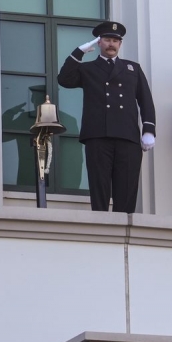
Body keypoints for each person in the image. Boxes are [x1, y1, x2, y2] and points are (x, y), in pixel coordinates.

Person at [57, 21, 156, 213]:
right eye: (107, 40)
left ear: (120, 44)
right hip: (98, 135)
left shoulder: (132, 68)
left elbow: (146, 100)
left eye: (115, 41)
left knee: (127, 187)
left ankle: (125, 226)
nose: (112, 44)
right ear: (99, 42)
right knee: (99, 185)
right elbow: (64, 79)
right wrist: (78, 52)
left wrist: (149, 130)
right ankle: (101, 224)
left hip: (127, 135)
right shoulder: (88, 68)